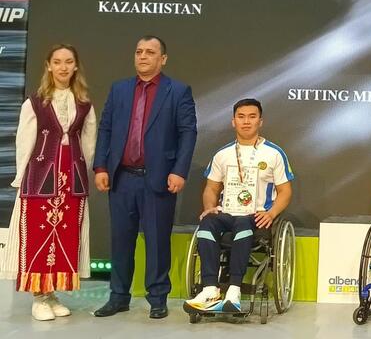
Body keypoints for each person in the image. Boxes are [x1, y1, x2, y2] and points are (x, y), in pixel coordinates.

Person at [92, 36, 197, 319]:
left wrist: (179, 170)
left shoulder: (178, 91)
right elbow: (105, 129)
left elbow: (188, 133)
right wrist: (100, 166)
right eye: (139, 51)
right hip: (121, 178)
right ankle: (118, 297)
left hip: (158, 178)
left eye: (150, 52)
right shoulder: (119, 89)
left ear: (163, 59)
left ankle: (158, 299)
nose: (143, 56)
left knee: (157, 241)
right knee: (121, 241)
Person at [0, 44, 97, 320]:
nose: (63, 67)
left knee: (65, 235)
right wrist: (22, 176)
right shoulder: (35, 102)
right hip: (42, 176)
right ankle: (38, 296)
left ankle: (51, 292)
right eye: (57, 62)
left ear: (75, 66)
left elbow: (89, 142)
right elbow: (24, 141)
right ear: (48, 66)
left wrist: (83, 172)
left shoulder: (84, 104)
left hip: (71, 179)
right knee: (39, 235)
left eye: (68, 61)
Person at [183, 98, 294, 313]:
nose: (246, 121)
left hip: (256, 215)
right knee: (207, 223)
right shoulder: (222, 154)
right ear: (233, 121)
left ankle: (234, 291)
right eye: (241, 117)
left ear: (260, 121)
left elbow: (285, 191)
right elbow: (211, 188)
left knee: (243, 224)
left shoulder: (274, 153)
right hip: (226, 212)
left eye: (252, 117)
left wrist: (271, 213)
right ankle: (210, 289)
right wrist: (209, 206)